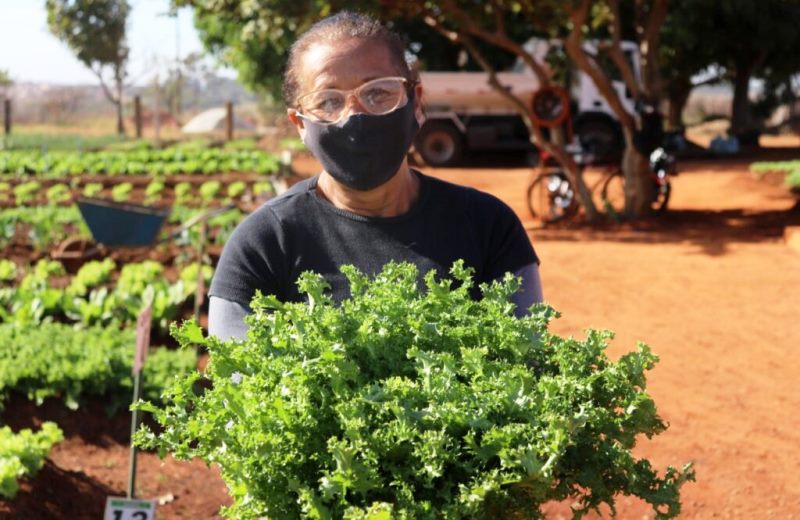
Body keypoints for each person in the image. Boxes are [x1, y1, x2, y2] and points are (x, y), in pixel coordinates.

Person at [208, 11, 543, 340]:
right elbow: (240, 382)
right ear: (300, 124)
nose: (355, 115)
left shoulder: (489, 226)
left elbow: (525, 361)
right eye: (328, 101)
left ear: (417, 103)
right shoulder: (263, 244)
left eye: (378, 92)